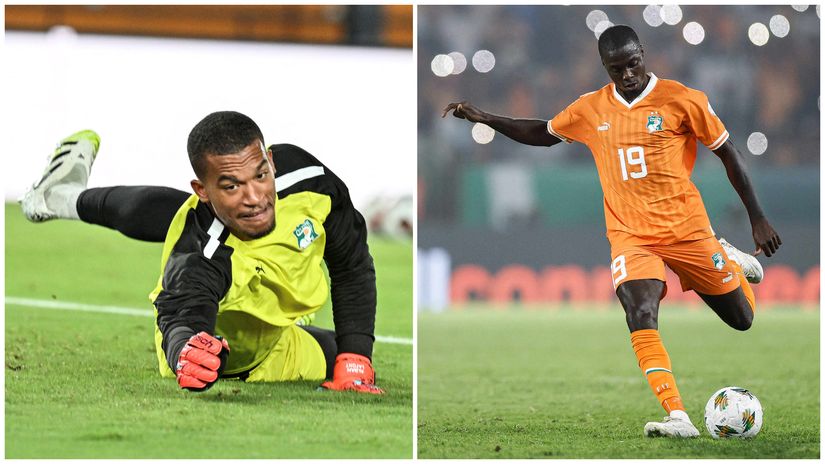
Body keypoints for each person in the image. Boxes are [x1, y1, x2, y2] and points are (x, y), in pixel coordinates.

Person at [442, 25, 781, 437]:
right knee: (639, 310)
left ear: (644, 54)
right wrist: (486, 118)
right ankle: (677, 415)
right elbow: (544, 133)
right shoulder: (591, 108)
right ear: (605, 67)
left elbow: (729, 153)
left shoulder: (683, 99)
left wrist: (757, 217)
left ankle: (726, 256)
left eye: (633, 64)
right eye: (616, 69)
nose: (627, 76)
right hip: (630, 236)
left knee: (743, 319)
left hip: (687, 231)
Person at [21, 111, 383, 394]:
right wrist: (186, 351)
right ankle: (62, 198)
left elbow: (351, 264)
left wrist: (355, 358)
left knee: (345, 354)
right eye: (231, 185)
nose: (255, 196)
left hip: (279, 343)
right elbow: (181, 315)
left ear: (271, 162)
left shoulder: (309, 181)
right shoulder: (201, 251)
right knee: (193, 223)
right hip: (228, 358)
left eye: (261, 176)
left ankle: (62, 197)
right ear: (202, 189)